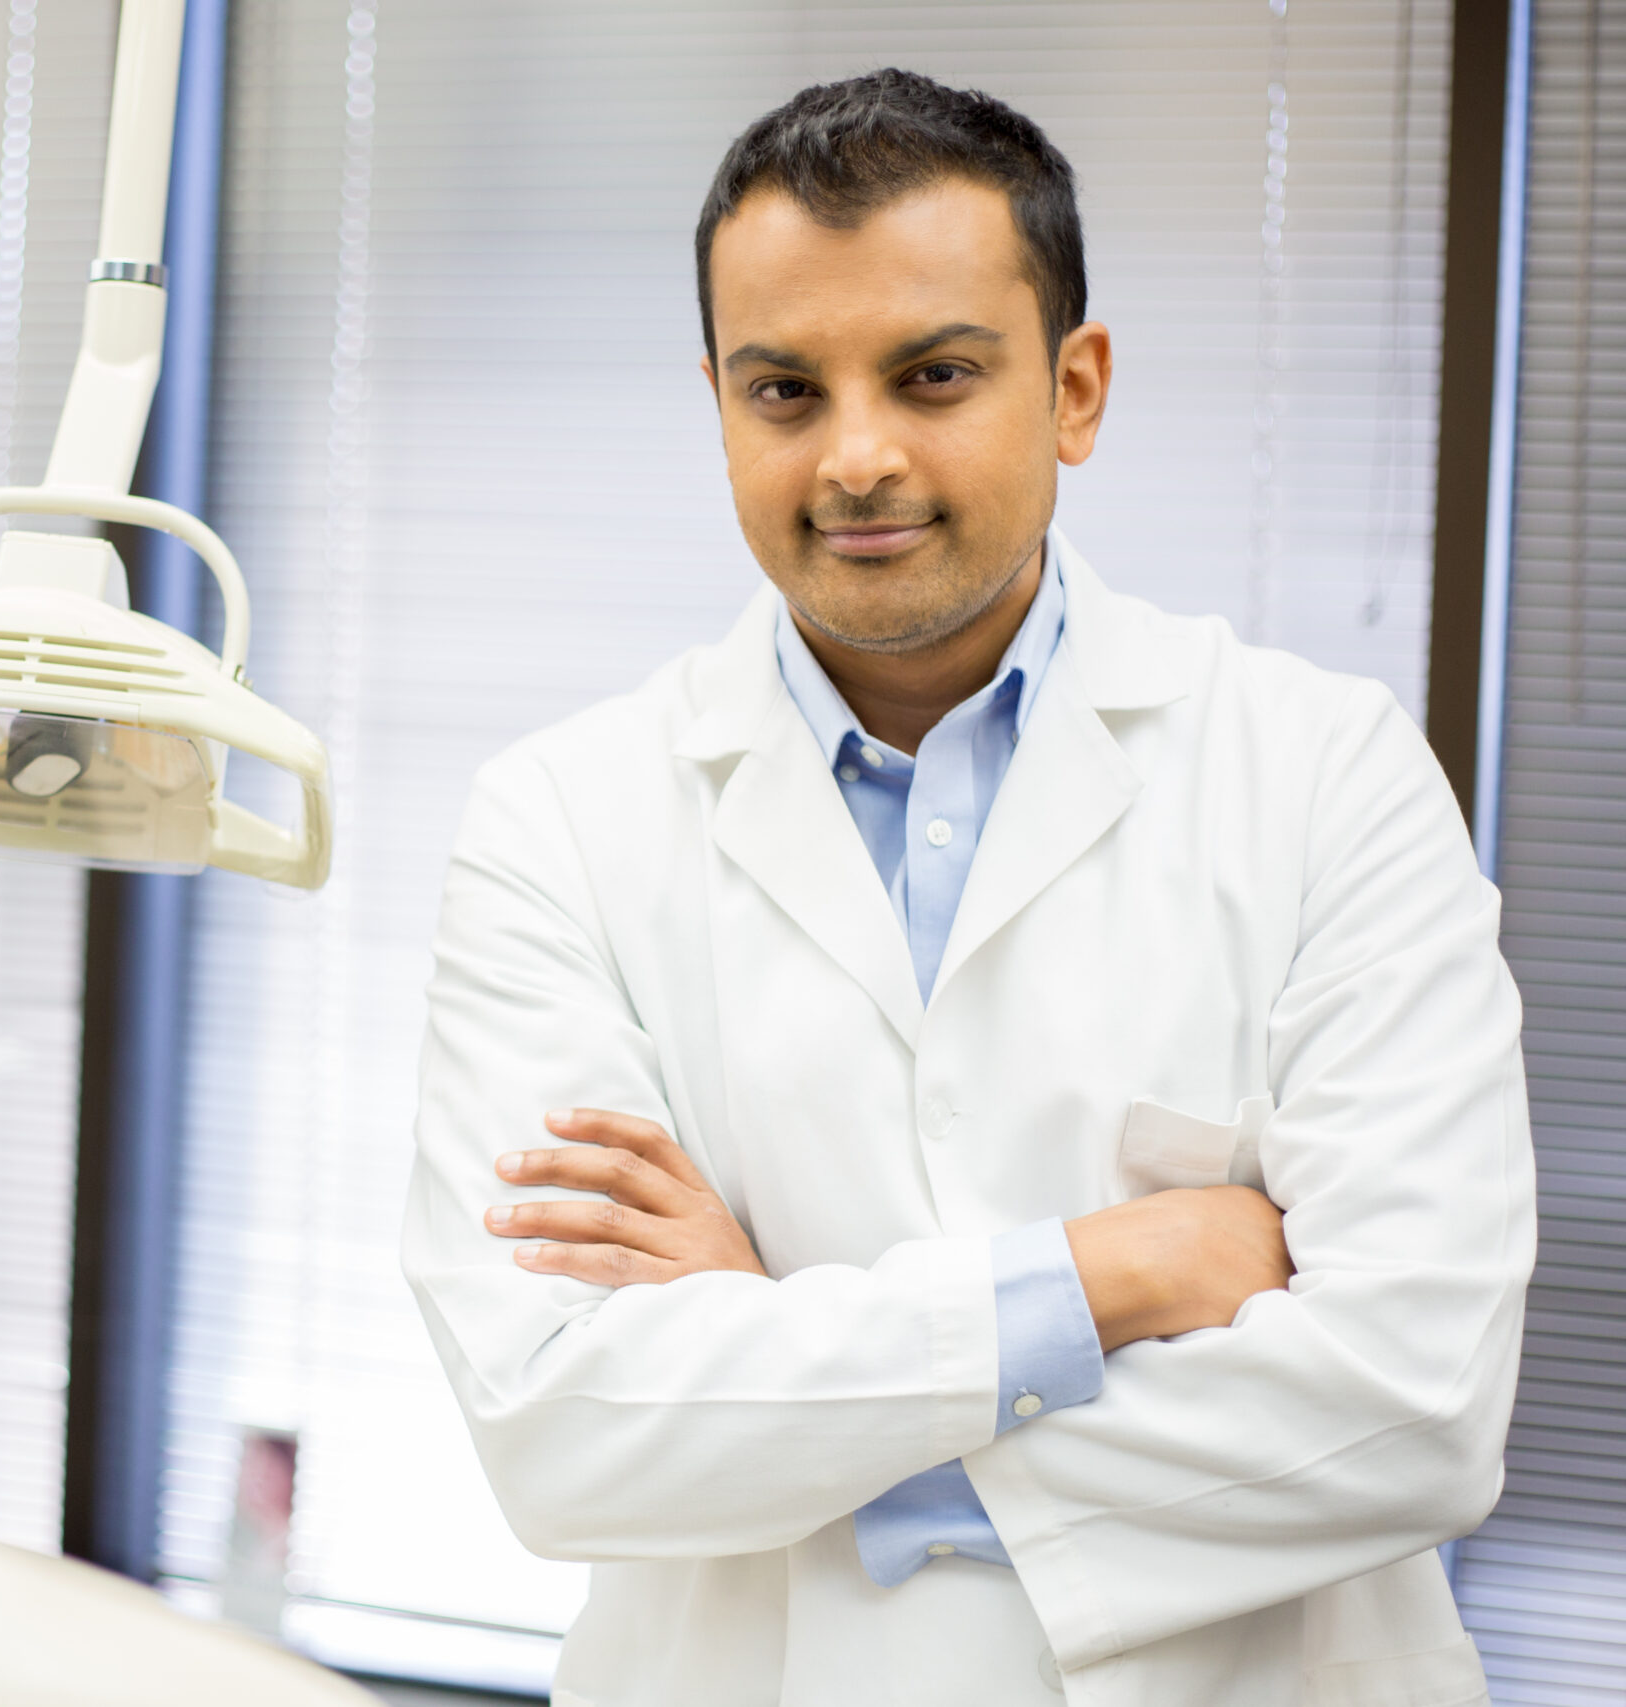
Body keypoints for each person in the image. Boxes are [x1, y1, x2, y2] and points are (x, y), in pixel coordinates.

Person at [400, 69, 1533, 1707]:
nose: (856, 457)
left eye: (933, 377)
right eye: (785, 390)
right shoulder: (559, 823)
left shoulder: (1325, 776)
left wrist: (788, 1376)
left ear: (1074, 391)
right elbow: (565, 1434)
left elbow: (1417, 1404)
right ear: (718, 401)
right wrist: (1115, 1278)